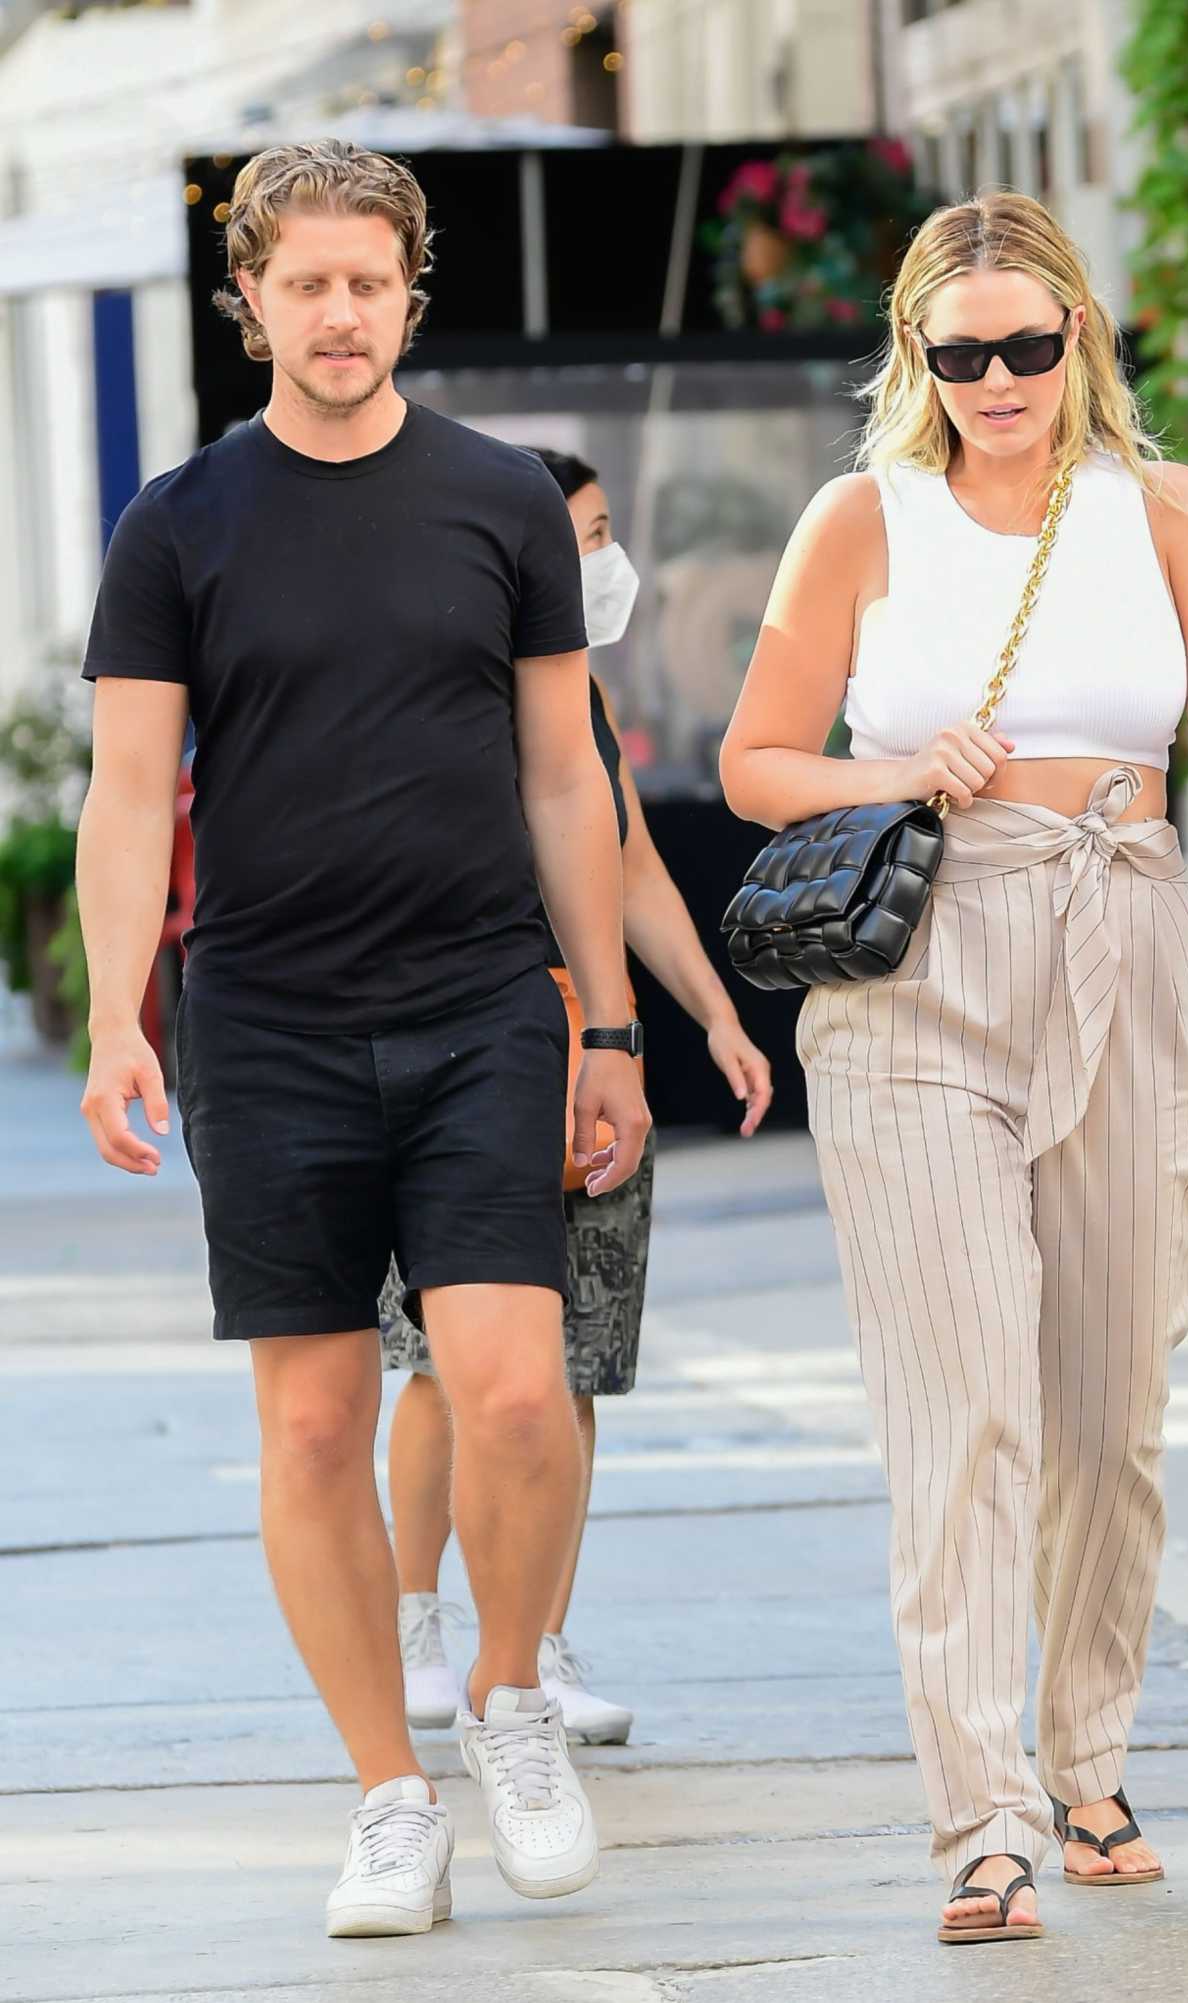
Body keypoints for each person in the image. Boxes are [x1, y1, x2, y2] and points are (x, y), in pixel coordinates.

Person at [720, 191, 1188, 1943]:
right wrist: (894, 773)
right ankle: (983, 1815)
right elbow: (757, 761)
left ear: (1079, 337)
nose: (995, 381)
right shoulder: (861, 518)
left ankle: (1088, 1749)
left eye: (1027, 346)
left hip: (1130, 929)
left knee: (1111, 1404)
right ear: (916, 351)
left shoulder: (1167, 508)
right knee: (964, 1401)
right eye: (959, 351)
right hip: (923, 966)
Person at [75, 141, 650, 1940]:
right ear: (250, 297)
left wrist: (610, 1020)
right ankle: (390, 1795)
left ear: (411, 292)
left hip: (483, 1003)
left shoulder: (500, 501)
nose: (341, 313)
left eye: (370, 282)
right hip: (266, 1020)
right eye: (307, 283)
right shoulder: (177, 522)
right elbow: (125, 791)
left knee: (515, 1388)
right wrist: (113, 1014)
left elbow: (567, 777)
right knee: (316, 1419)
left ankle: (509, 1697)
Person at [382, 445, 773, 1746]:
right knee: (441, 1366)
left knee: (579, 1362)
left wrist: (713, 1012)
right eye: (582, 536)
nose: (605, 560)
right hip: (464, 1045)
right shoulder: (444, 676)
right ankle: (416, 1624)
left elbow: (634, 865)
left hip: (591, 1051)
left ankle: (537, 1644)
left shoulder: (585, 692)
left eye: (606, 533)